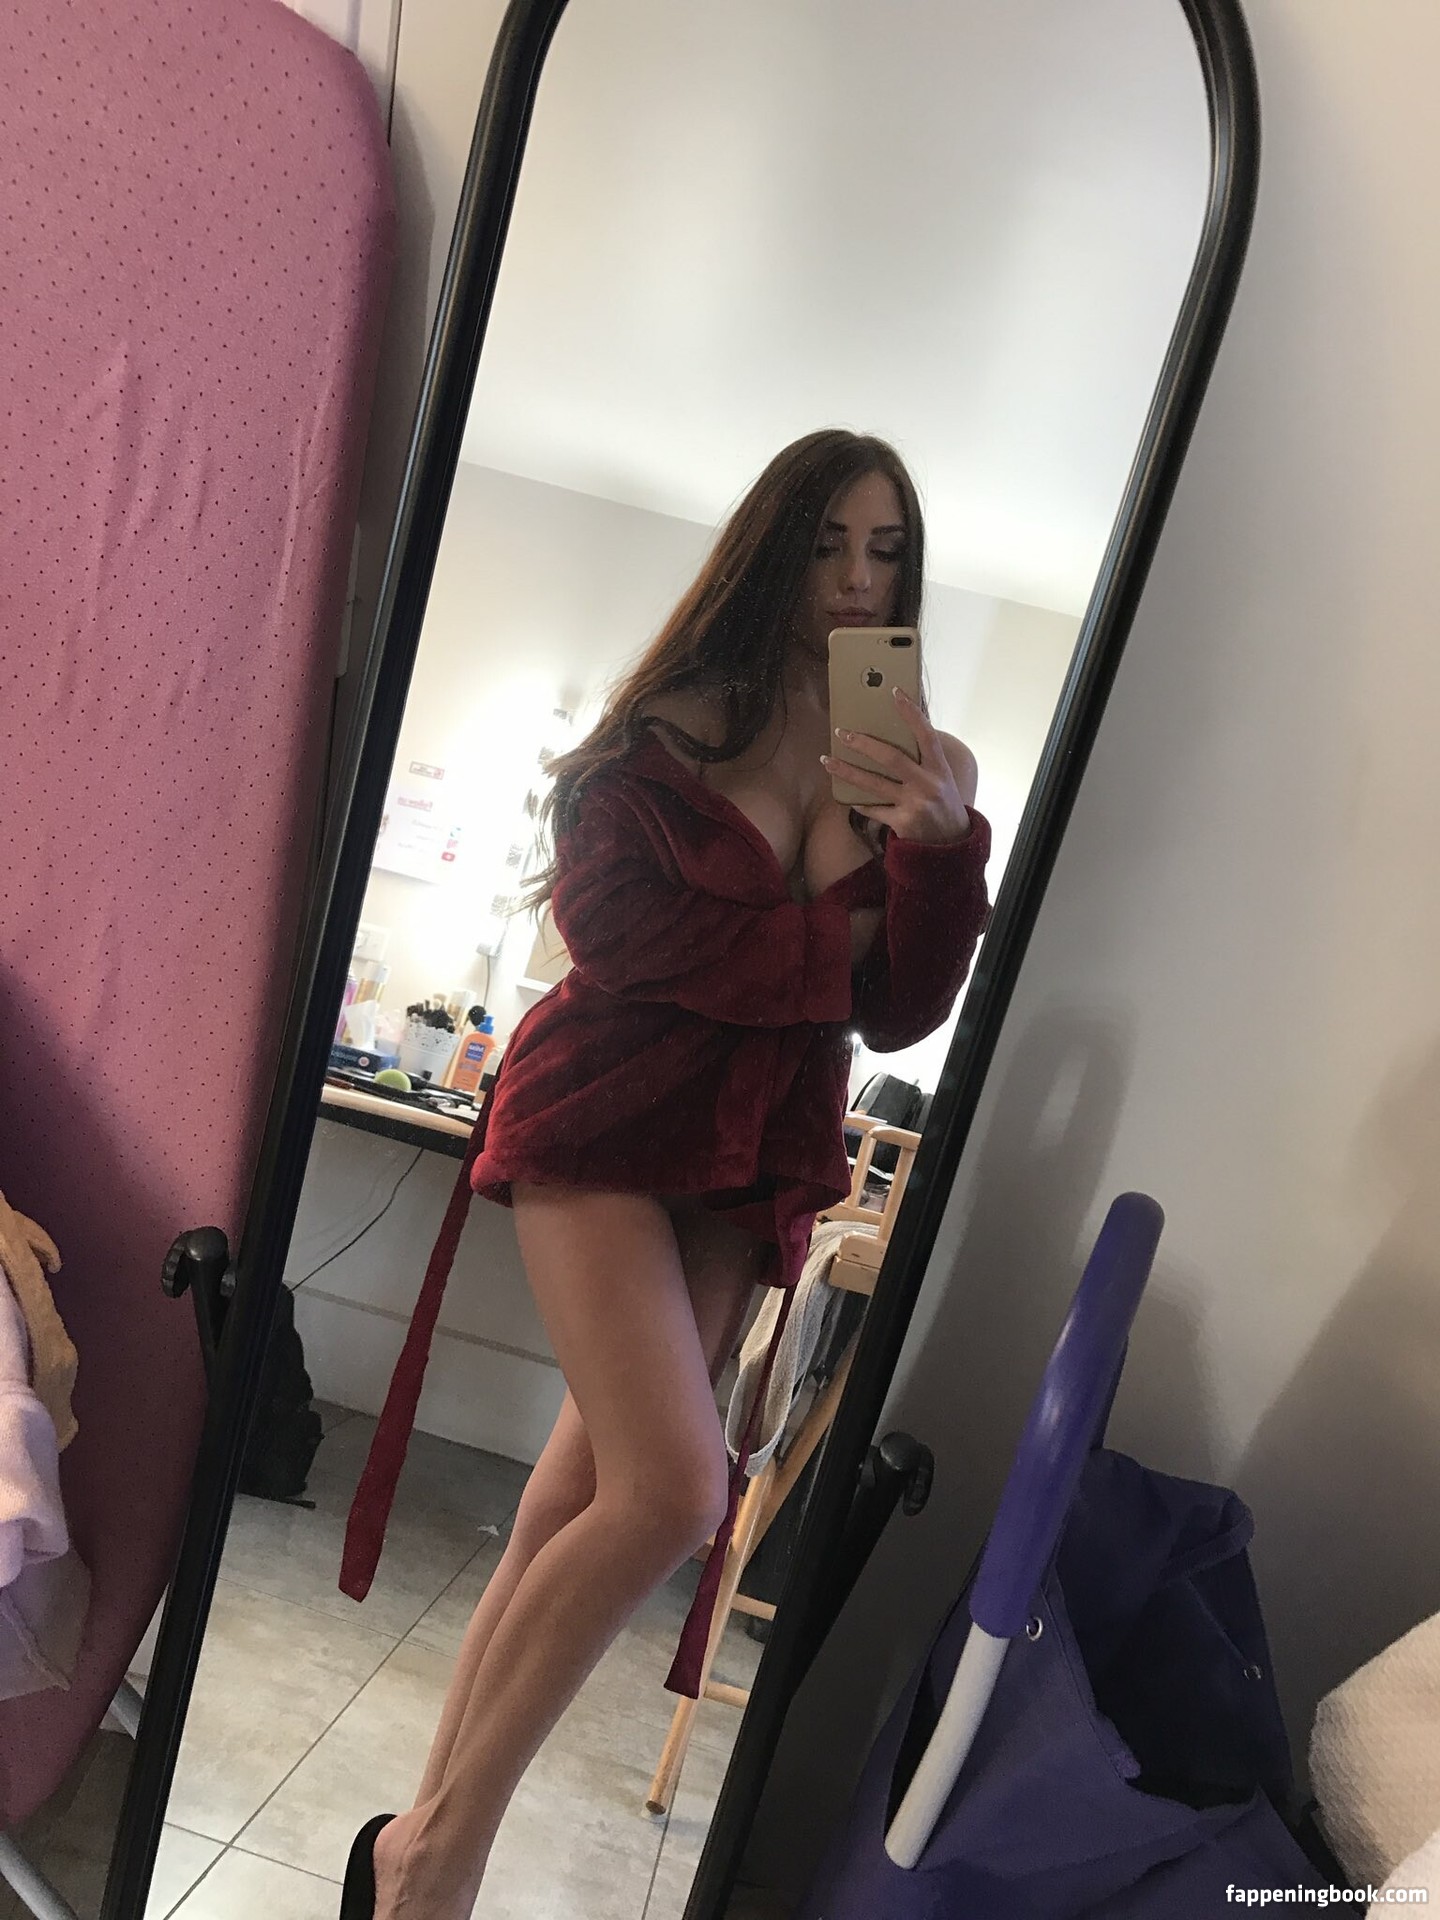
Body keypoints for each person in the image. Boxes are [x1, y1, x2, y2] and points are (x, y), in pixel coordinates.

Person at [339, 429, 992, 1919]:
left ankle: (412, 1850)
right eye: (827, 542)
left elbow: (900, 1013)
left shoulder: (921, 768)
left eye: (887, 550)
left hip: (747, 1160)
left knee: (572, 1507)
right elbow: (629, 940)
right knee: (674, 1489)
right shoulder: (669, 725)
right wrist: (836, 945)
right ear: (772, 550)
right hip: (603, 1118)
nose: (857, 577)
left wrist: (938, 853)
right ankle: (435, 1868)